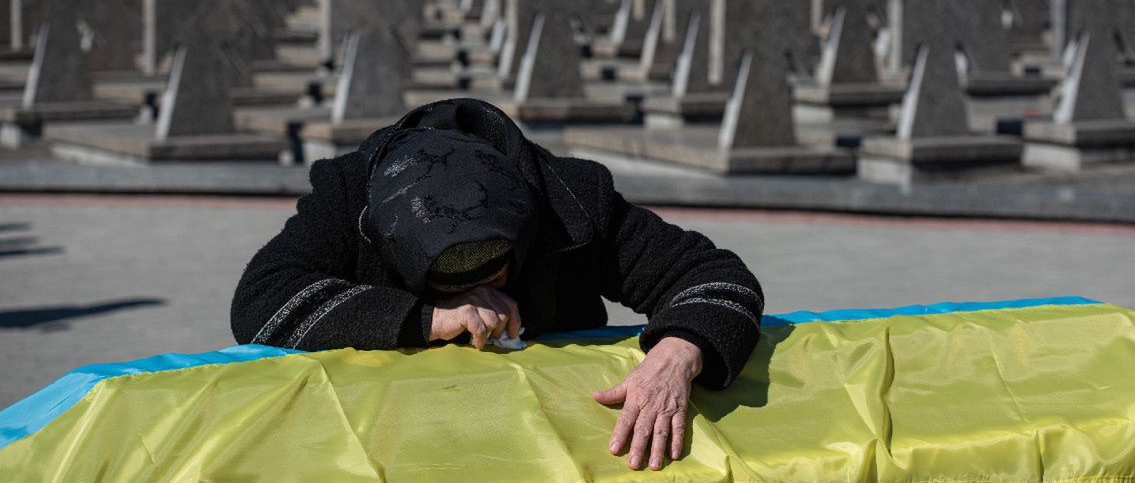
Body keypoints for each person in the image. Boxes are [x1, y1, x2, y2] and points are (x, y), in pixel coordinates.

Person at [232, 98, 763, 471]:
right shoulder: (351, 197)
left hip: (563, 444)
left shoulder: (570, 198)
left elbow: (716, 276)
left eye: (498, 272)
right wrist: (428, 318)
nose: (487, 294)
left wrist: (678, 352)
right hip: (396, 441)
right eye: (449, 281)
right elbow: (262, 300)